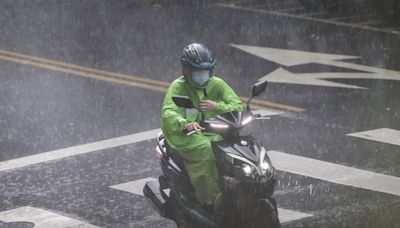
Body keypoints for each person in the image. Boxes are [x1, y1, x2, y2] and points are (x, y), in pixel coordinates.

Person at [161, 43, 243, 212]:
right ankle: (212, 200)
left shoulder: (217, 84)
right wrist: (185, 124)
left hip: (215, 131)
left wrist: (217, 106)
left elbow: (236, 105)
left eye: (206, 70)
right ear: (187, 70)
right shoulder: (178, 87)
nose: (202, 75)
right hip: (187, 136)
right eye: (197, 71)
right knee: (205, 151)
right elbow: (169, 112)